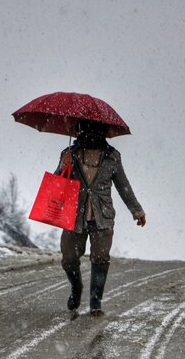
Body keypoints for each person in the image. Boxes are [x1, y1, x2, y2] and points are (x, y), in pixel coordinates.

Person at [54, 119, 146, 316]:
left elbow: (124, 186)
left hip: (102, 218)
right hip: (74, 217)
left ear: (103, 132)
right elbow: (57, 183)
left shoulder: (112, 157)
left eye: (95, 130)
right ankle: (76, 287)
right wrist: (63, 165)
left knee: (101, 259)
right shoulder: (69, 153)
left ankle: (96, 302)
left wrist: (137, 211)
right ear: (79, 130)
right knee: (69, 258)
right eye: (86, 130)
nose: (90, 134)